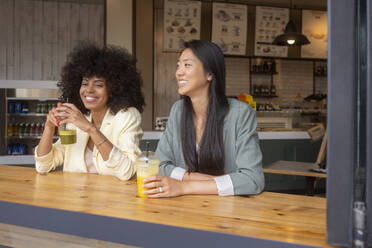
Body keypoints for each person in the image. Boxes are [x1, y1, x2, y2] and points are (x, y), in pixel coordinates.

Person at [143, 40, 264, 197]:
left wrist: (184, 187)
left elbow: (253, 179)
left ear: (210, 74)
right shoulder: (177, 111)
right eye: (178, 65)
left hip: (229, 211)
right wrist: (203, 180)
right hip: (185, 208)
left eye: (187, 65)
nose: (178, 72)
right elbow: (160, 165)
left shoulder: (240, 114)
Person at [35, 43, 145, 180]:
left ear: (113, 89)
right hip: (74, 199)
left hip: (112, 199)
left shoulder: (126, 116)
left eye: (98, 85)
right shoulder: (76, 118)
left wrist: (90, 129)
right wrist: (49, 127)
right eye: (85, 83)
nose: (89, 90)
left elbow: (127, 172)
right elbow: (43, 167)